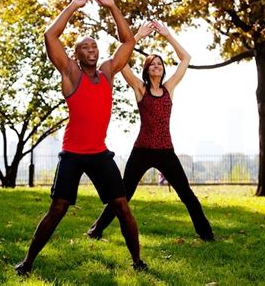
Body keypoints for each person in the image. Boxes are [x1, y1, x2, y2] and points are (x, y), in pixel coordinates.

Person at [14, 0, 147, 275]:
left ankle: (137, 262)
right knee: (58, 208)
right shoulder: (71, 74)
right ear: (76, 55)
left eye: (95, 47)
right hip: (73, 154)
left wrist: (112, 5)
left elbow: (128, 41)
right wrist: (73, 5)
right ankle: (27, 262)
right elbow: (51, 37)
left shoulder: (108, 73)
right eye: (86, 48)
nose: (92, 51)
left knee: (122, 207)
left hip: (99, 154)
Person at [87, 21, 215, 242]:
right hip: (142, 151)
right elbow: (120, 62)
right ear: (146, 70)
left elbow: (186, 59)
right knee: (123, 196)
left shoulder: (169, 88)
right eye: (152, 64)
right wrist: (136, 36)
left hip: (166, 151)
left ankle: (207, 235)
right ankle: (96, 230)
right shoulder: (140, 88)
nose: (157, 66)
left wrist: (168, 35)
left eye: (160, 64)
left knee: (186, 194)